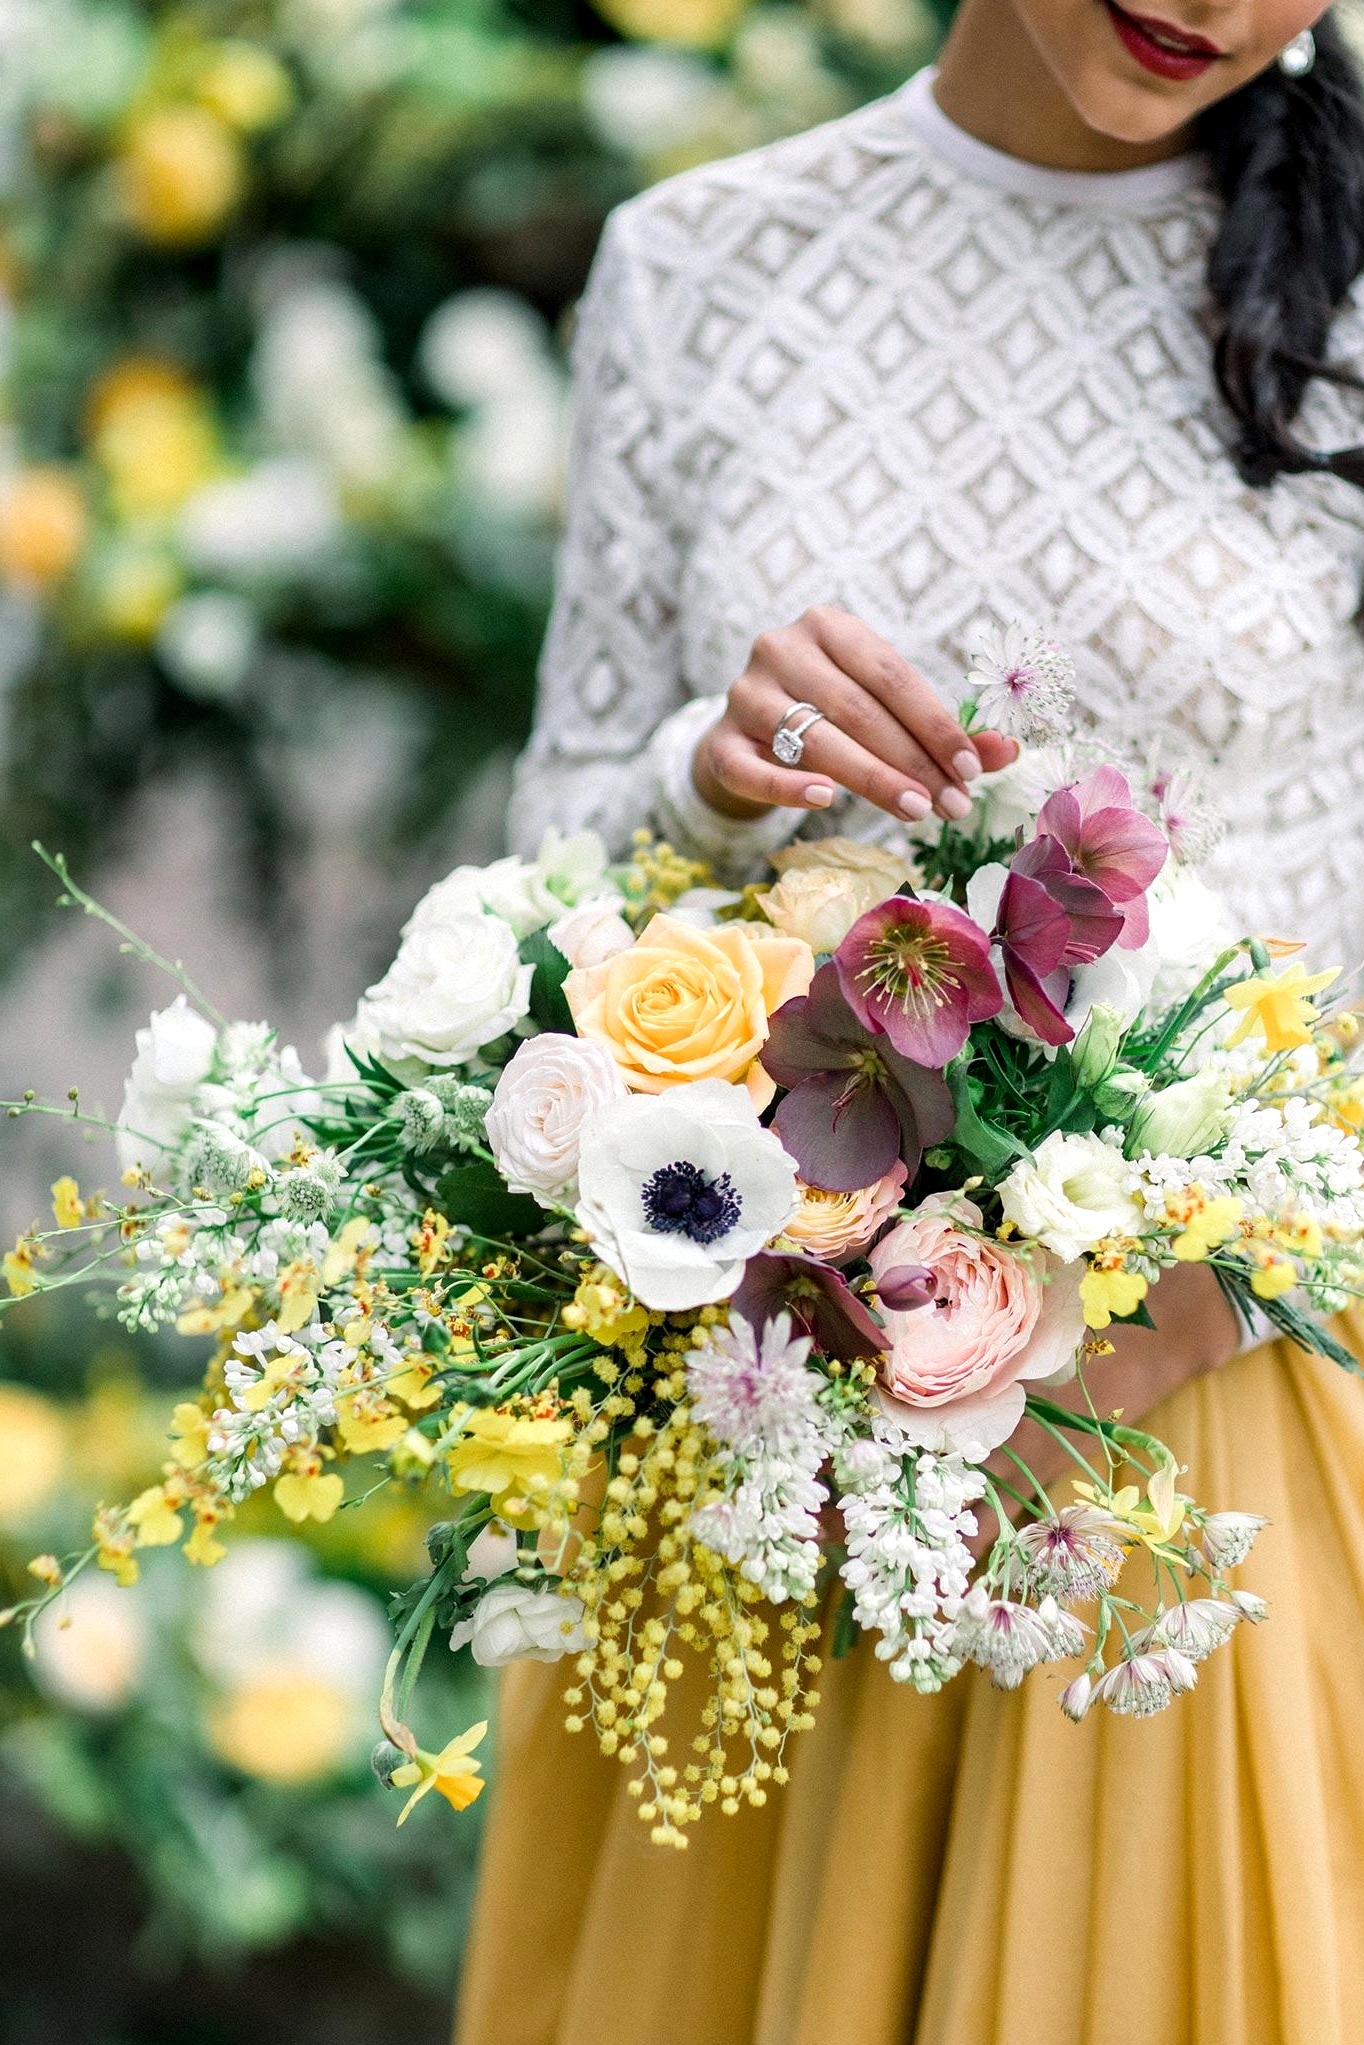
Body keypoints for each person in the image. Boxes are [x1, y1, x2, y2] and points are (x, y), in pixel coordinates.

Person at [457, 4, 1364, 2038]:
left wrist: (1174, 1314)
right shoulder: (707, 260)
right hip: (768, 1419)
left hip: (1206, 1439)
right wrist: (713, 768)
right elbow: (549, 839)